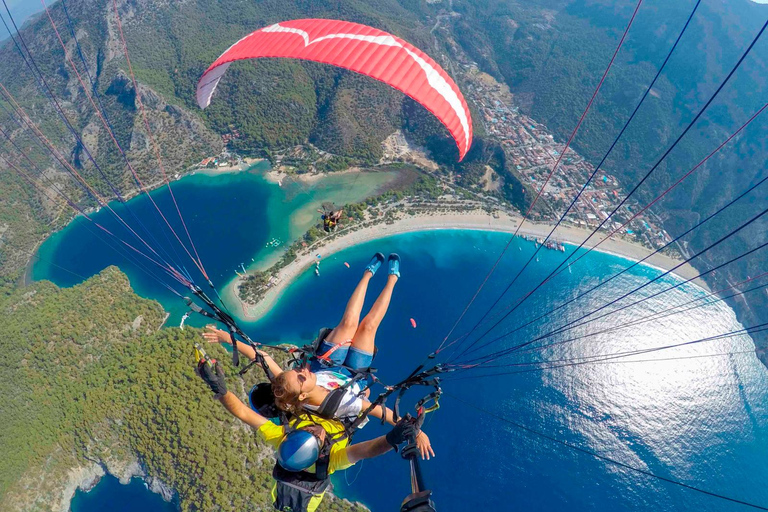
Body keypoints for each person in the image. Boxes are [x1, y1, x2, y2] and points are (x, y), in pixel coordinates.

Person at [203, 252, 435, 459]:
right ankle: (393, 279)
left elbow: (263, 357)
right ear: (303, 396)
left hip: (326, 363)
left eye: (297, 372)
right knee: (368, 327)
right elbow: (380, 411)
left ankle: (367, 274)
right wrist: (417, 430)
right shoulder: (343, 405)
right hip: (353, 376)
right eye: (301, 377)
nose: (302, 370)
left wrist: (228, 339)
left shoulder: (292, 390)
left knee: (348, 323)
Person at [196, 356, 418, 512]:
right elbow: (367, 450)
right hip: (341, 418)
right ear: (321, 448)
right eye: (317, 436)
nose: (315, 430)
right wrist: (394, 437)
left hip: (312, 416)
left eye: (307, 431)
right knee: (365, 393)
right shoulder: (332, 459)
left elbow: (244, 413)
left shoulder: (282, 436)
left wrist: (219, 389)